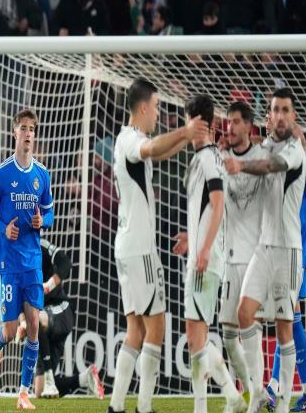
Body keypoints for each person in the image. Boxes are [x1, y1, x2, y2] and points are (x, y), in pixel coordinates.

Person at [108, 78, 208, 413]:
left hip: (126, 245)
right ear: (143, 107)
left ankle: (116, 406)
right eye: (156, 106)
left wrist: (186, 137)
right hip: (139, 248)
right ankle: (143, 406)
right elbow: (151, 149)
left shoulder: (125, 139)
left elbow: (159, 151)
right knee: (157, 326)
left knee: (135, 329)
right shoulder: (132, 141)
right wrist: (185, 131)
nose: (158, 113)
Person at [224, 88, 306, 413]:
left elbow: (270, 165)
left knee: (284, 327)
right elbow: (253, 151)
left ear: (293, 115)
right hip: (263, 247)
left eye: (286, 110)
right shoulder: (267, 144)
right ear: (269, 115)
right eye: (276, 110)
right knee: (245, 313)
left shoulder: (294, 150)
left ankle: (283, 404)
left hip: (287, 250)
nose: (281, 115)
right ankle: (258, 392)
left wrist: (240, 165)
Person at [0, 108, 54, 410]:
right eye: (23, 127)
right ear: (15, 132)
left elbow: (49, 213)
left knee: (34, 324)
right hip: (9, 263)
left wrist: (42, 222)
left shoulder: (42, 175)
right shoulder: (2, 173)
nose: (28, 133)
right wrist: (4, 228)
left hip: (32, 263)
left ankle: (23, 393)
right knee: (11, 331)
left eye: (32, 129)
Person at [182, 95, 246, 413]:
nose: (185, 126)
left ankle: (214, 402)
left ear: (198, 122)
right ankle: (228, 397)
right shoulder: (205, 157)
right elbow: (208, 209)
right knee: (199, 335)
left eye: (187, 120)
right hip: (202, 254)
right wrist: (192, 237)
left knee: (196, 336)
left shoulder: (208, 158)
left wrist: (204, 248)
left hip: (205, 260)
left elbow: (219, 205)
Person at [266, 113, 306, 412]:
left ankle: (275, 387)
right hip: (278, 248)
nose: (271, 120)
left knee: (288, 316)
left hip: (298, 250)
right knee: (291, 318)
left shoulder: (304, 155)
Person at [216, 101, 265, 403]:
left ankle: (258, 391)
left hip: (256, 257)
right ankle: (253, 391)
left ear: (249, 125)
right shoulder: (221, 157)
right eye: (228, 121)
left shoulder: (262, 157)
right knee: (228, 334)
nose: (230, 127)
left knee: (252, 327)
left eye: (236, 121)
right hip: (230, 257)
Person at [15, 238, 104, 399]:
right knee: (40, 391)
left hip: (61, 310)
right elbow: (20, 303)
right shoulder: (14, 266)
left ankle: (50, 379)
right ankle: (85, 378)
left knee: (36, 319)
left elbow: (65, 263)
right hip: (42, 329)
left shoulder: (39, 246)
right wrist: (22, 324)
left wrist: (48, 286)